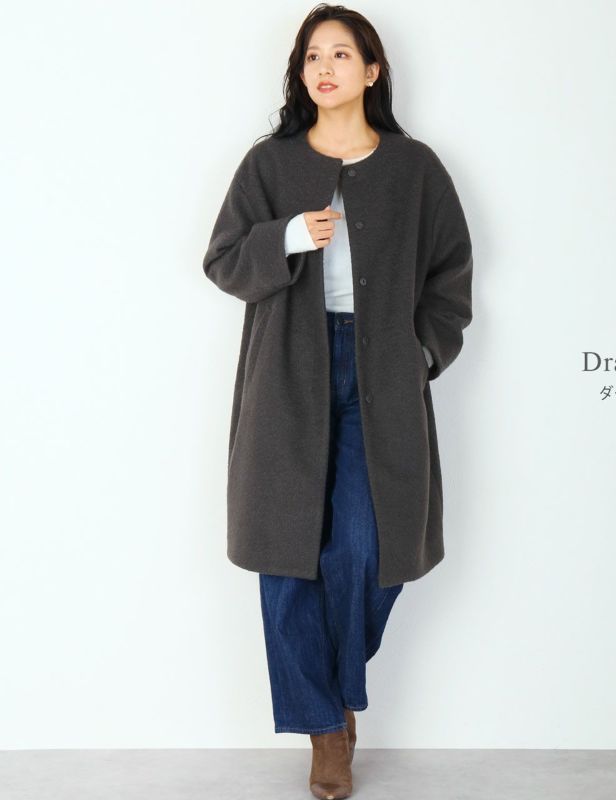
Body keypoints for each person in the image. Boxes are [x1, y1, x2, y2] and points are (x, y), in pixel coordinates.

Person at [202, 5, 473, 799]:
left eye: (341, 54)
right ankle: (327, 728)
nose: (324, 68)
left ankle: (332, 690)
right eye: (312, 56)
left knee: (366, 547)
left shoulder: (415, 168)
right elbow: (221, 259)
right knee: (286, 557)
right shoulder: (270, 164)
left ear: (372, 70)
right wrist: (286, 237)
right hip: (288, 373)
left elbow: (451, 275)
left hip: (382, 374)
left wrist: (422, 352)